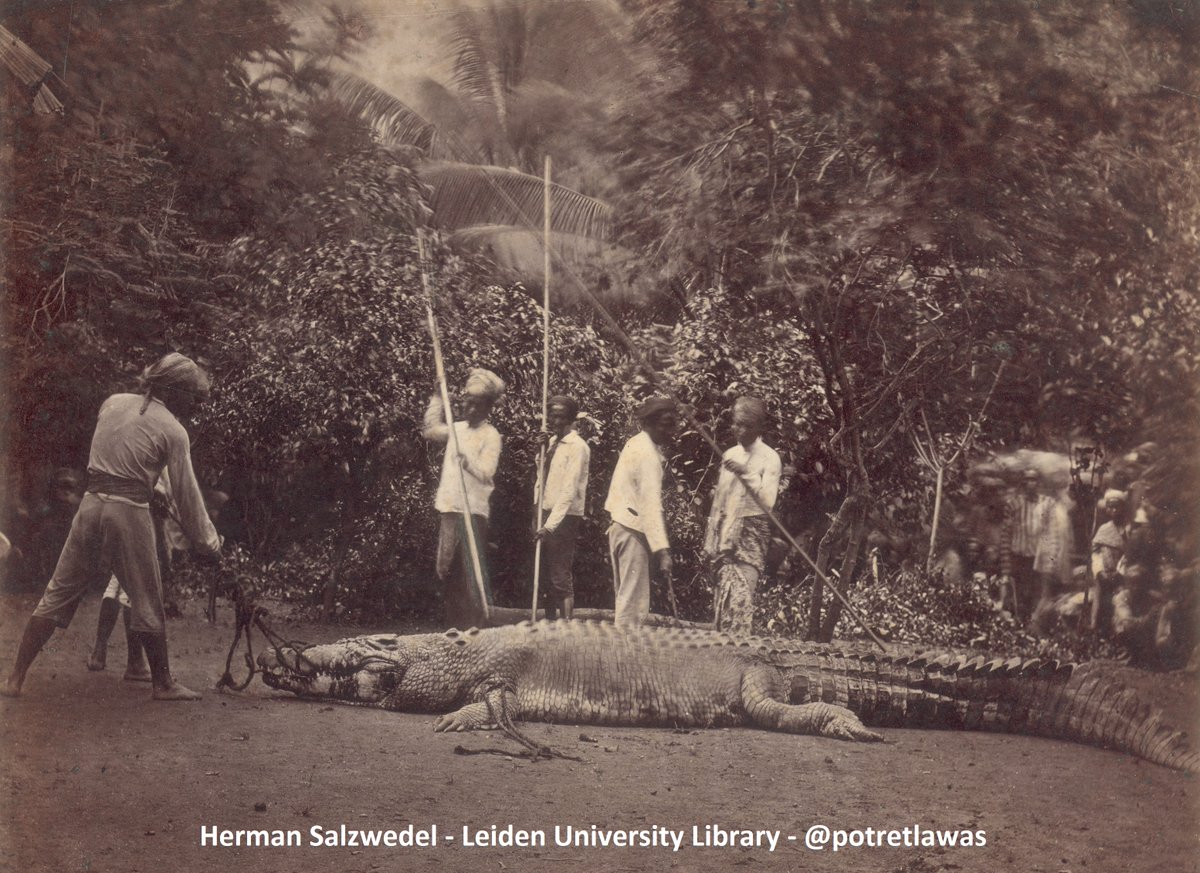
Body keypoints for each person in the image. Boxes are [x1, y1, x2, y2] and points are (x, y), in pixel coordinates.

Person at [1, 352, 222, 701]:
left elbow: (125, 455)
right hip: (128, 513)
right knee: (147, 595)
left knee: (58, 591)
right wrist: (209, 543)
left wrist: (150, 489)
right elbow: (187, 494)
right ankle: (163, 683)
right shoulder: (174, 430)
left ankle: (14, 678)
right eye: (193, 396)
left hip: (90, 506)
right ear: (175, 391)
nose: (195, 404)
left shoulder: (113, 403)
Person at [422, 368, 504, 629]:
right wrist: (436, 397)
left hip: (474, 512)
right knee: (445, 569)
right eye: (467, 403)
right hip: (450, 508)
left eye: (477, 405)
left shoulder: (491, 435)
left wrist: (468, 463)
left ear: (488, 409)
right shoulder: (456, 430)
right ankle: (452, 629)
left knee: (469, 574)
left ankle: (472, 630)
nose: (470, 409)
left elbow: (487, 472)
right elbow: (430, 430)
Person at [703, 396, 781, 635]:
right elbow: (720, 502)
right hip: (725, 536)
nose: (739, 429)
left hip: (751, 537)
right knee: (722, 603)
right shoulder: (729, 454)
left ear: (759, 428)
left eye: (746, 425)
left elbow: (768, 502)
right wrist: (710, 541)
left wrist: (746, 473)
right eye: (736, 423)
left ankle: (738, 657)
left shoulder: (770, 458)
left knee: (740, 600)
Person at [605, 396, 677, 628]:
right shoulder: (647, 455)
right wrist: (663, 551)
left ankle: (622, 655)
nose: (670, 430)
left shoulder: (635, 443)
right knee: (632, 607)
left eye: (672, 424)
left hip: (620, 525)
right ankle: (624, 659)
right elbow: (650, 506)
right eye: (665, 424)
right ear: (650, 423)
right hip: (631, 529)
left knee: (625, 598)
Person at [534, 395, 590, 621]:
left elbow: (568, 491)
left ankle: (567, 630)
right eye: (552, 416)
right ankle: (549, 625)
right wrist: (540, 451)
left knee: (559, 576)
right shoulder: (551, 442)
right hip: (544, 511)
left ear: (570, 419)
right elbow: (544, 476)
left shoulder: (578, 448)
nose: (554, 421)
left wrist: (549, 526)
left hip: (563, 518)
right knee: (545, 575)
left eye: (559, 417)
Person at [999, 469, 1050, 621]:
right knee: (1017, 593)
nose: (1030, 483)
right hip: (1018, 557)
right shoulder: (1014, 504)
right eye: (1027, 480)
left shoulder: (1045, 504)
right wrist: (1006, 566)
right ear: (1023, 483)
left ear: (1039, 483)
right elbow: (1006, 535)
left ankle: (1031, 625)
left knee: (1035, 594)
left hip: (1037, 557)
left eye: (1034, 480)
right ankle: (1017, 623)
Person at [1090, 489, 1128, 635]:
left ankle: (1118, 634)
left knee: (1119, 602)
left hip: (1120, 575)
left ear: (1122, 508)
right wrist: (1099, 571)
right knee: (1100, 601)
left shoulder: (1127, 529)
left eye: (1116, 506)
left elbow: (1129, 554)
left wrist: (1120, 573)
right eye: (1110, 507)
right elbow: (1095, 551)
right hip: (1103, 574)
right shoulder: (1104, 529)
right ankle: (1096, 631)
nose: (1113, 510)